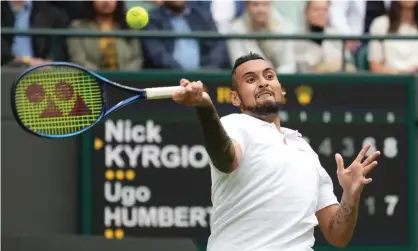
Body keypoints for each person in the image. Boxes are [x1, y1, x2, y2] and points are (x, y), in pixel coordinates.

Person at [172, 52, 381, 251]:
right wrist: (205, 107)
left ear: (281, 90)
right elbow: (226, 159)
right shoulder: (234, 124)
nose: (263, 82)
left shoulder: (305, 151)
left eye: (269, 76)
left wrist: (350, 196)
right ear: (235, 98)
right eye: (251, 79)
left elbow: (337, 235)